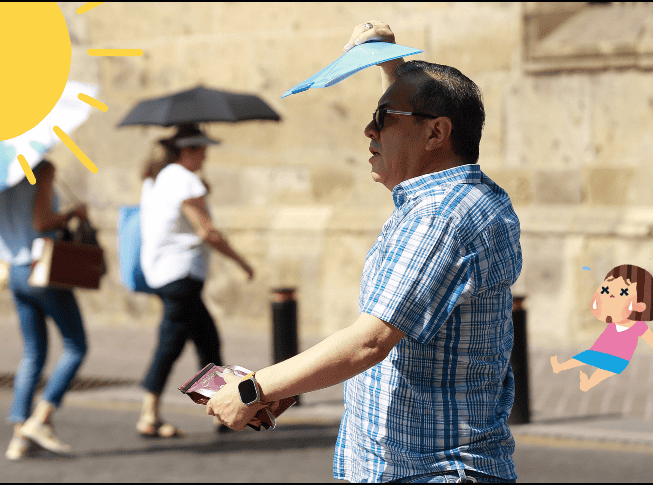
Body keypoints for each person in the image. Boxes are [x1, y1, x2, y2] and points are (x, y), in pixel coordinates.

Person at [206, 21, 522, 483]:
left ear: (436, 134)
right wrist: (389, 63)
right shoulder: (454, 200)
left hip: (428, 471)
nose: (369, 129)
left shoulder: (440, 217)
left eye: (384, 118)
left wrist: (255, 389)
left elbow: (370, 341)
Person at [137, 124, 254, 438]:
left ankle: (160, 412)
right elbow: (207, 232)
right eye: (202, 150)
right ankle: (159, 413)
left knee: (186, 341)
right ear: (187, 151)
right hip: (181, 274)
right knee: (186, 344)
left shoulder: (159, 178)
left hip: (164, 274)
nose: (206, 156)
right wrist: (242, 261)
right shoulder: (183, 180)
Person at [0, 159, 90, 460]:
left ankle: (19, 436)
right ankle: (41, 418)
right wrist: (72, 214)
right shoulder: (41, 171)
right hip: (41, 268)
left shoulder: (0, 179)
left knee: (32, 352)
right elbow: (41, 221)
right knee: (76, 346)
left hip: (14, 271)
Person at [551, 264, 653, 391]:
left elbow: (650, 338)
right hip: (602, 350)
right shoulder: (614, 318)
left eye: (622, 293)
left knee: (601, 371)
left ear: (639, 306)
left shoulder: (637, 325)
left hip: (618, 358)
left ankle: (587, 382)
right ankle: (562, 368)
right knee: (584, 358)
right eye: (606, 290)